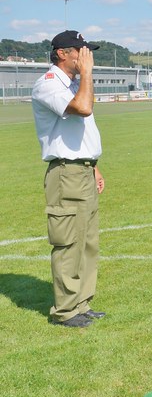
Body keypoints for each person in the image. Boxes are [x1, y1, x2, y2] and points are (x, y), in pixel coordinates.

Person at [31, 30, 107, 328]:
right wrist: (87, 74)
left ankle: (81, 304)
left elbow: (82, 131)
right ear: (62, 54)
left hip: (83, 170)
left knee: (87, 242)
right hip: (66, 174)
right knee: (68, 243)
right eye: (80, 51)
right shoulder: (49, 84)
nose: (86, 56)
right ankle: (65, 310)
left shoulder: (75, 83)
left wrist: (93, 166)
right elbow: (83, 109)